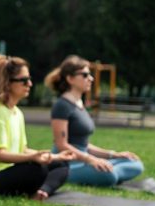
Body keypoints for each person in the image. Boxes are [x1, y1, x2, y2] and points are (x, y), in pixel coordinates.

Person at [0, 55, 74, 200]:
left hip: (11, 171)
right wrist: (32, 157)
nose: (30, 84)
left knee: (61, 165)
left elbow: (23, 149)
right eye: (24, 80)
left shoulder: (16, 112)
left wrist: (55, 156)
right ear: (7, 83)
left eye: (29, 79)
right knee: (36, 169)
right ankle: (38, 190)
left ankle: (42, 191)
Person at [45, 55, 144, 186]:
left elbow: (84, 146)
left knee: (135, 164)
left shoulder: (79, 104)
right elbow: (61, 145)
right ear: (70, 79)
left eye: (90, 75)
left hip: (85, 160)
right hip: (68, 164)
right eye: (85, 75)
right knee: (109, 175)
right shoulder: (62, 105)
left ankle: (109, 171)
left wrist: (114, 155)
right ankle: (106, 173)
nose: (91, 79)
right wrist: (91, 160)